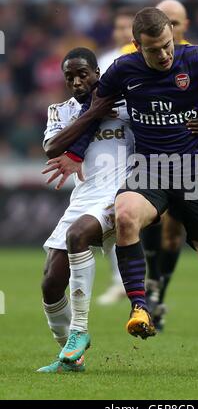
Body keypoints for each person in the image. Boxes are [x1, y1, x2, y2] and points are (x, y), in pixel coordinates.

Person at [50, 8, 198, 350]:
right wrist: (76, 153)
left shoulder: (195, 59)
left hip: (192, 173)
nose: (164, 54)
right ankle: (140, 307)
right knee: (125, 212)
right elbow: (94, 112)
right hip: (149, 170)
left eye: (167, 45)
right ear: (136, 46)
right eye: (154, 49)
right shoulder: (123, 70)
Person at [38, 47, 134, 373]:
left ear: (96, 73)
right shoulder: (60, 111)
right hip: (82, 198)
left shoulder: (124, 104)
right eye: (70, 77)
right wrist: (93, 113)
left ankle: (80, 329)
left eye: (83, 74)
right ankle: (71, 356)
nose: (77, 82)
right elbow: (52, 147)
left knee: (78, 235)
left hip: (119, 195)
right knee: (51, 282)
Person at [141, 0, 198, 331]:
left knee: (174, 233)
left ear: (185, 24)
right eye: (167, 22)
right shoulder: (132, 55)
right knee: (149, 217)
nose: (172, 29)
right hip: (145, 159)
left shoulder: (196, 59)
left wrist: (196, 120)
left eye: (176, 23)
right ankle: (149, 288)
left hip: (186, 161)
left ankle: (157, 295)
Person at [96, 6, 138, 305]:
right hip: (111, 148)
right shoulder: (104, 61)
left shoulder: (149, 59)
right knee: (115, 213)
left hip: (144, 145)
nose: (123, 32)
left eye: (128, 27)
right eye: (119, 27)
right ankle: (122, 280)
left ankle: (143, 282)